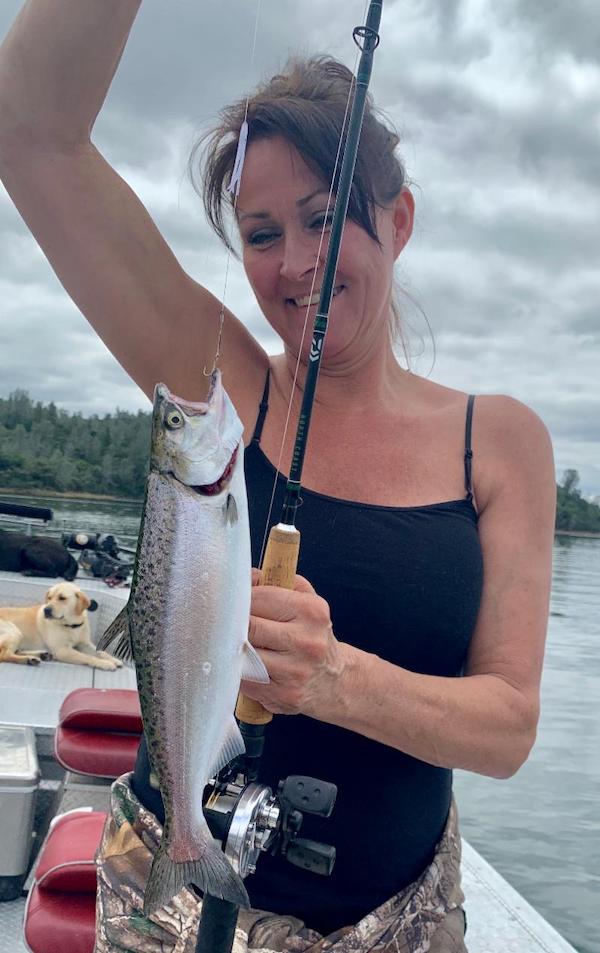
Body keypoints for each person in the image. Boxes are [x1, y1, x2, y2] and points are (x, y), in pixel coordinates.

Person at [0, 3, 556, 951]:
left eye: (326, 217)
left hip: (402, 923)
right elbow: (28, 130)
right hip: (173, 903)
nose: (296, 264)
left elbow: (505, 728)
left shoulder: (499, 442)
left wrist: (335, 678)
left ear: (400, 218)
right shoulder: (219, 385)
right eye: (260, 235)